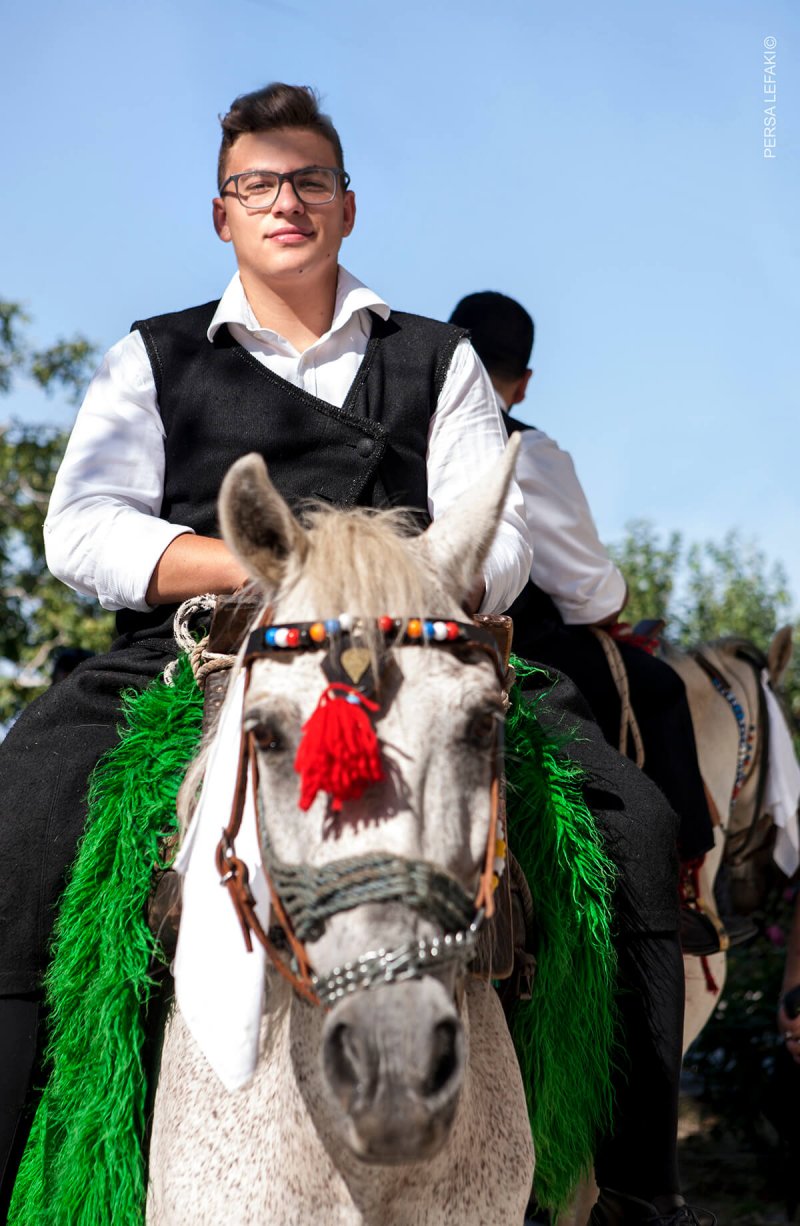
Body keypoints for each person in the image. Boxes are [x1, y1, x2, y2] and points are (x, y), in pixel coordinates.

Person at [0, 84, 533, 1216]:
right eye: (257, 185)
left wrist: (380, 583)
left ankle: (625, 1180)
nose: (283, 200)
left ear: (346, 206)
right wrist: (261, 570)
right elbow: (81, 527)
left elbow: (506, 536)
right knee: (15, 829)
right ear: (220, 214)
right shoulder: (148, 358)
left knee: (626, 828)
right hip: (185, 657)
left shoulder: (440, 361)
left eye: (308, 181)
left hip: (407, 650)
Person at [450, 292, 716, 1225]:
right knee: (657, 724)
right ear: (520, 378)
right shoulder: (536, 449)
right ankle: (684, 882)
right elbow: (592, 589)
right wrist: (611, 605)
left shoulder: (404, 417)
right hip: (514, 651)